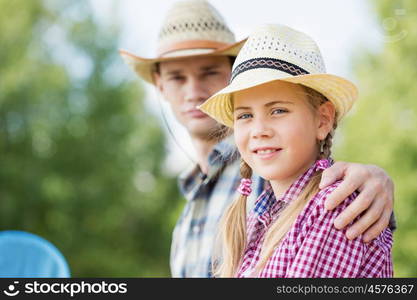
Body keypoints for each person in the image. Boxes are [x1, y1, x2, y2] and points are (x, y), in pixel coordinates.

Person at [120, 0, 395, 277]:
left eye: (209, 72)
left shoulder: (303, 188)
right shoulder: (216, 211)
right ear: (160, 86)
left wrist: (375, 179)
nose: (193, 91)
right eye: (178, 77)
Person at [200, 24, 393, 277]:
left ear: (322, 120)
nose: (259, 130)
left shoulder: (332, 207)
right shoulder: (259, 220)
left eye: (278, 111)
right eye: (245, 115)